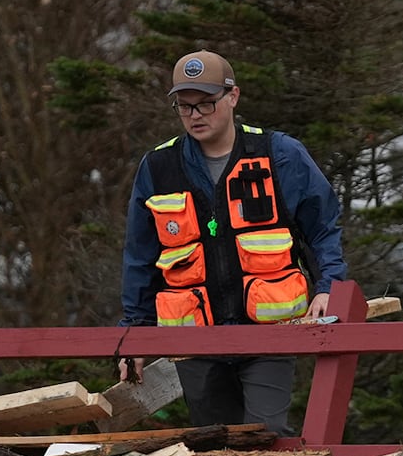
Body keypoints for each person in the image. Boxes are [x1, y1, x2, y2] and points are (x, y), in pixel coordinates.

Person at [118, 49, 348, 434]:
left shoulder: (279, 155)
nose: (195, 115)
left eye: (206, 103)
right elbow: (140, 257)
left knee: (265, 434)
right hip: (195, 340)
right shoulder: (158, 167)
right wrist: (134, 333)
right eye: (185, 106)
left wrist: (328, 287)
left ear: (233, 97)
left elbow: (322, 228)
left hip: (269, 333)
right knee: (215, 442)